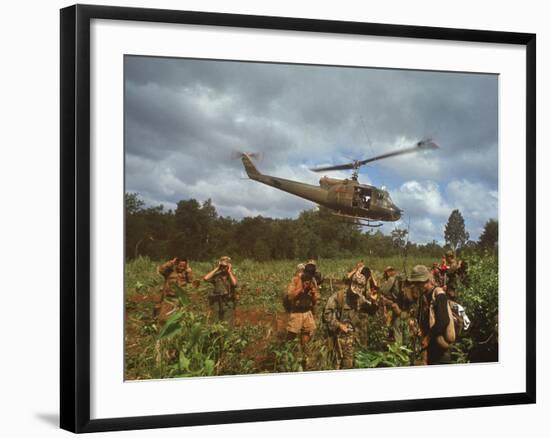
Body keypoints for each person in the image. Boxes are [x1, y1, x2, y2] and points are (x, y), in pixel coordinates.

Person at [323, 270, 378, 369]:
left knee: (351, 365)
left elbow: (371, 312)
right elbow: (327, 314)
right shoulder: (338, 297)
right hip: (338, 338)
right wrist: (339, 325)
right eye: (354, 291)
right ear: (350, 286)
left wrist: (374, 302)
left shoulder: (359, 298)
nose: (355, 294)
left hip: (353, 339)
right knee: (337, 365)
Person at [407, 265, 455, 365]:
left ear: (425, 281)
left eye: (418, 283)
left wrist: (427, 338)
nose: (416, 286)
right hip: (431, 349)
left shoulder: (439, 295)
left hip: (440, 350)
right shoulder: (423, 297)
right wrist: (421, 330)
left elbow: (443, 321)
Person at [285, 262, 321, 370]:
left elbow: (316, 300)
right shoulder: (296, 280)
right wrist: (301, 289)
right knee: (291, 336)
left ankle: (305, 360)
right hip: (296, 312)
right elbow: (290, 296)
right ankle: (287, 356)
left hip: (307, 312)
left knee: (307, 335)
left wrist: (313, 293)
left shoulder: (313, 281)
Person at [155, 257, 194, 325]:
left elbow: (191, 282)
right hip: (168, 299)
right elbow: (161, 270)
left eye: (183, 266)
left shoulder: (186, 274)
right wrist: (171, 262)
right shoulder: (169, 272)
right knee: (163, 319)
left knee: (178, 321)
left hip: (180, 300)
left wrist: (189, 271)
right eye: (180, 266)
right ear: (176, 264)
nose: (182, 268)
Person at [379, 266, 410, 345]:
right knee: (404, 327)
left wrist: (384, 284)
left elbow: (383, 291)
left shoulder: (391, 279)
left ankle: (399, 350)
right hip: (405, 306)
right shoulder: (401, 278)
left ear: (388, 272)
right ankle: (405, 345)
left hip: (397, 305)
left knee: (397, 327)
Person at [203, 256, 238, 323]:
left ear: (229, 266)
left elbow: (234, 284)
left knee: (227, 325)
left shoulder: (231, 276)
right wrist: (217, 268)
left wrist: (229, 272)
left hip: (228, 303)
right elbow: (205, 278)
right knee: (216, 324)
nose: (223, 268)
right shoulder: (217, 276)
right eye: (222, 266)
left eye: (225, 266)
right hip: (217, 302)